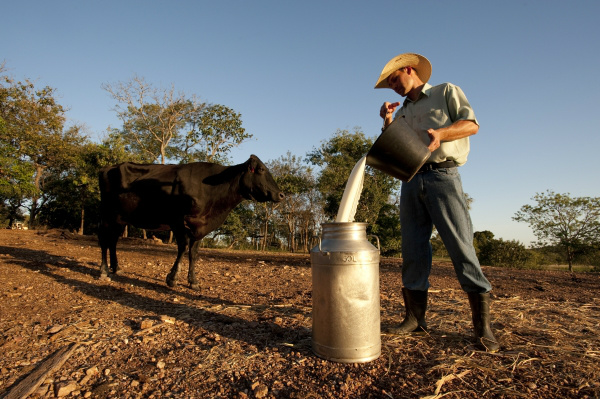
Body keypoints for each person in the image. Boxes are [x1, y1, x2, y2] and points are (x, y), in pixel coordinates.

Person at [374, 53, 499, 352]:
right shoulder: (402, 110)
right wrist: (387, 120)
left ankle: (483, 328)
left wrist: (440, 134)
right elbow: (393, 144)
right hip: (411, 179)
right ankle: (415, 320)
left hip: (443, 177)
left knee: (460, 247)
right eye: (389, 84)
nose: (393, 87)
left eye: (394, 79)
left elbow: (471, 125)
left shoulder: (445, 91)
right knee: (413, 249)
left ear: (409, 69)